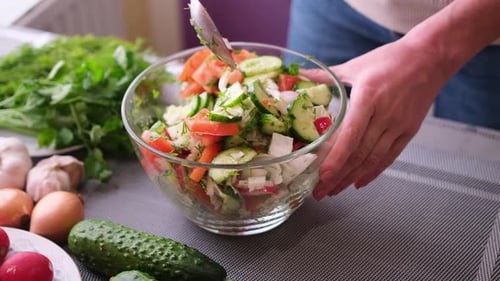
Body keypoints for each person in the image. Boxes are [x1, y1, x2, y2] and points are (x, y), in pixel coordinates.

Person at [286, 0, 500, 200]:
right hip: (330, 8)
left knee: (474, 180)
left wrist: (435, 49)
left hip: (482, 26)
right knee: (290, 163)